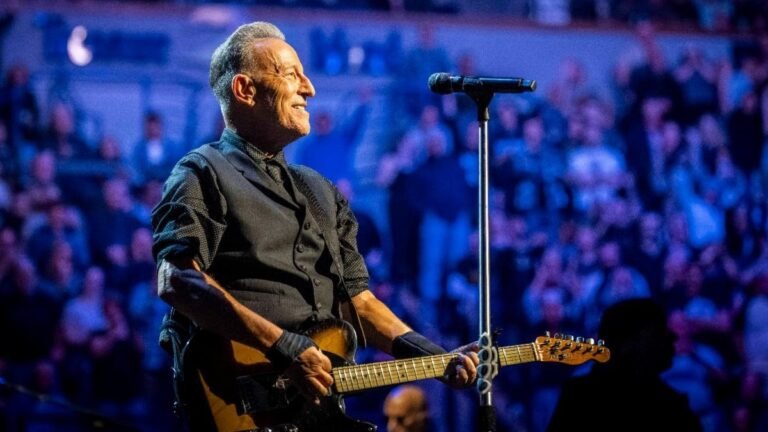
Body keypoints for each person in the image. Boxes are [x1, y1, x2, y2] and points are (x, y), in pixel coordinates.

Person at [151, 21, 478, 430]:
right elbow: (177, 279)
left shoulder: (321, 191)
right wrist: (283, 346)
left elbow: (359, 304)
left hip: (316, 412)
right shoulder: (201, 172)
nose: (309, 88)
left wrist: (437, 358)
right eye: (291, 74)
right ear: (245, 90)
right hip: (242, 407)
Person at [546, 298, 703, 432]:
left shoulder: (578, 395)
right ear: (628, 343)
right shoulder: (668, 407)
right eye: (659, 331)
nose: (673, 337)